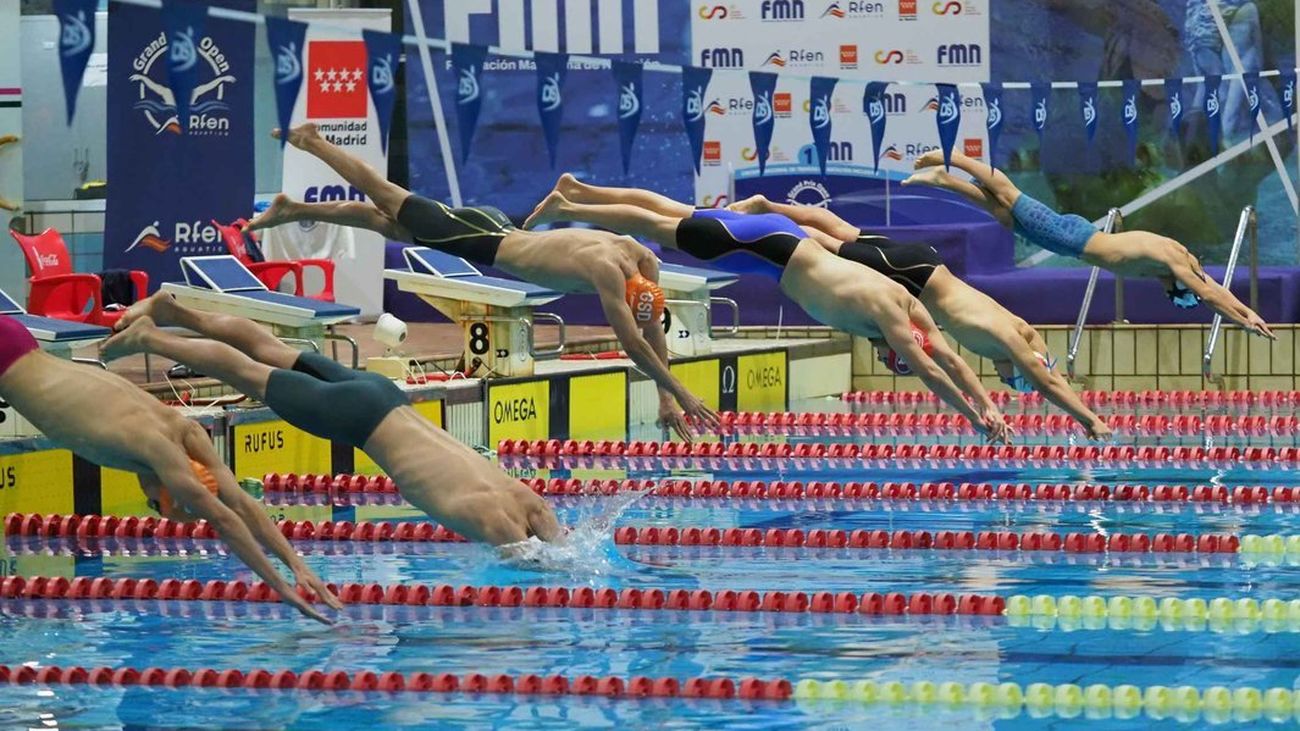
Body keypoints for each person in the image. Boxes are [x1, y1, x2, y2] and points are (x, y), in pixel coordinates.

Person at [244, 125, 718, 442]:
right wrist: (681, 392)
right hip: (482, 240)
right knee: (386, 197)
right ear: (629, 294)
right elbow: (634, 344)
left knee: (386, 223)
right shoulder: (607, 272)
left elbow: (651, 331)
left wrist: (663, 397)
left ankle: (293, 209)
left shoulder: (643, 259)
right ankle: (314, 142)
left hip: (494, 226)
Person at [525, 181, 1012, 443]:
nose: (888, 360)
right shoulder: (893, 320)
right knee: (661, 226)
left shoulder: (911, 307)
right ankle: (568, 207)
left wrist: (987, 404)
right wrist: (972, 418)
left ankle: (579, 189)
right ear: (901, 347)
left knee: (679, 213)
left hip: (782, 242)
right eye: (893, 359)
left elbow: (950, 358)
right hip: (768, 252)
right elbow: (932, 370)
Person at [101, 292, 562, 547]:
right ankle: (151, 338)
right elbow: (534, 570)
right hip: (358, 420)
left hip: (385, 397)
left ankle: (174, 311)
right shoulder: (510, 515)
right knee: (247, 371)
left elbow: (550, 543)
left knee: (269, 351)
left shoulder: (521, 501)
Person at [0, 315, 341, 624]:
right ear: (169, 489)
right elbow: (224, 519)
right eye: (155, 505)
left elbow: (239, 501)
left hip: (18, 343)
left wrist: (299, 566)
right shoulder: (159, 448)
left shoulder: (183, 428)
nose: (149, 501)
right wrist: (282, 587)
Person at [721, 193, 1112, 440]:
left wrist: (989, 404)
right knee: (824, 243)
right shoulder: (1000, 338)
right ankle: (762, 217)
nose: (1006, 380)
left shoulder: (1016, 327)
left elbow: (1043, 367)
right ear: (1018, 368)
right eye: (1012, 380)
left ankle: (767, 207)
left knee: (842, 231)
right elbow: (1045, 380)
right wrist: (1089, 419)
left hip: (925, 265)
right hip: (915, 277)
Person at [902, 150, 1275, 339]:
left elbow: (1215, 290)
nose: (1163, 287)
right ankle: (951, 159)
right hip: (1073, 238)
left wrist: (1250, 314)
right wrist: (1242, 321)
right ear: (1179, 283)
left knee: (1006, 216)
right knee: (1009, 196)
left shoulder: (1180, 263)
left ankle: (945, 181)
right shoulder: (1172, 263)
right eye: (1170, 291)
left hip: (1073, 241)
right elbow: (1209, 295)